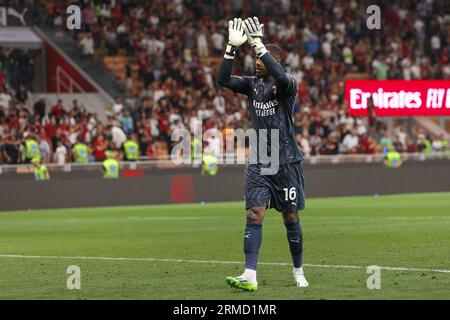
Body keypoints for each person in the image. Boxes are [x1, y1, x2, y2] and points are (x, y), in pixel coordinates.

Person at [217, 17, 308, 291]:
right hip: (259, 161)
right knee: (254, 215)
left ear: (273, 61)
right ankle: (250, 274)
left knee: (290, 217)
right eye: (255, 58)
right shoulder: (251, 85)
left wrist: (258, 45)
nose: (256, 63)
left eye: (260, 60)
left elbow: (278, 75)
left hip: (287, 161)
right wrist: (231, 48)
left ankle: (298, 271)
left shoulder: (287, 84)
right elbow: (223, 79)